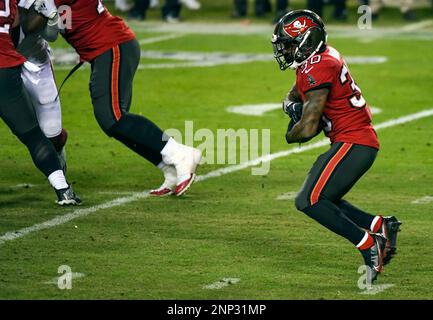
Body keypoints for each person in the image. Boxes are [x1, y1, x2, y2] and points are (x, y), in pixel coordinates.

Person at [271, 10, 401, 284]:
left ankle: (368, 244)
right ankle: (379, 225)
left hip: (354, 142)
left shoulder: (316, 67)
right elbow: (297, 93)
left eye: (291, 44)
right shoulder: (322, 57)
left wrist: (291, 128)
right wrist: (293, 104)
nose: (287, 51)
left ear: (306, 40)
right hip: (356, 141)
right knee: (323, 197)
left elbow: (308, 129)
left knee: (309, 200)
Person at [32, 0, 202, 197]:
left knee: (114, 117)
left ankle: (180, 154)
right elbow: (52, 33)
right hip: (105, 48)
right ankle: (169, 167)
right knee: (111, 121)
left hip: (111, 45)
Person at [0, 0, 80, 205]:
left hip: (32, 59)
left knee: (50, 133)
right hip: (7, 62)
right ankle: (62, 187)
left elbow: (50, 34)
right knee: (32, 134)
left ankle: (59, 161)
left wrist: (50, 16)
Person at [18, 0, 68, 173]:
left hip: (35, 62)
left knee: (52, 133)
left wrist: (53, 18)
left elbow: (54, 34)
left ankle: (59, 151)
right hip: (4, 64)